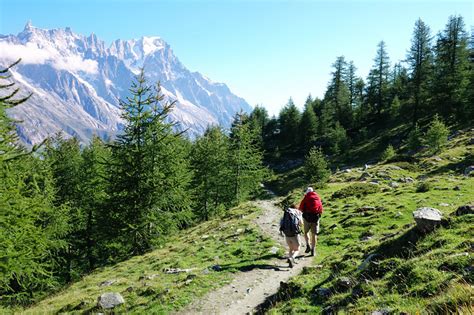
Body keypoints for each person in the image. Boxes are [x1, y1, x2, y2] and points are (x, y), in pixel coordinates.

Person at [299, 187, 323, 257]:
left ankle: (308, 245)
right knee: (314, 234)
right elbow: (321, 208)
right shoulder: (317, 197)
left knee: (306, 232)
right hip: (315, 218)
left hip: (307, 218)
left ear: (307, 192)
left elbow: (300, 208)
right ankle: (313, 250)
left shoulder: (306, 198)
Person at [279, 203, 303, 268]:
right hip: (294, 234)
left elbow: (281, 223)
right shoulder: (297, 213)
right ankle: (292, 258)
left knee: (291, 248)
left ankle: (290, 261)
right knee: (297, 249)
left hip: (287, 234)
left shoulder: (286, 213)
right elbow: (301, 223)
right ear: (296, 208)